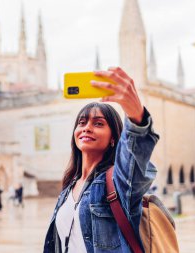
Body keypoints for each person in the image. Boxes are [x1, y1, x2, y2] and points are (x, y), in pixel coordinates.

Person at [43, 67, 160, 253]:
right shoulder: (69, 186)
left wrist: (136, 115)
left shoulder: (118, 182)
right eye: (82, 123)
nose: (87, 128)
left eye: (98, 123)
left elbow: (133, 156)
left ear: (114, 137)